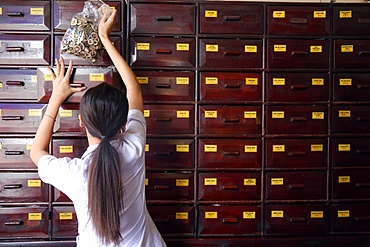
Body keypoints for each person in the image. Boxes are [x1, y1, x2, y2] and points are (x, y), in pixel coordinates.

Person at [30, 9, 167, 247]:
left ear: (81, 121)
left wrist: (55, 98)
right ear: (124, 123)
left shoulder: (75, 173)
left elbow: (36, 152)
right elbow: (133, 89)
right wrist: (105, 38)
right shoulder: (133, 148)